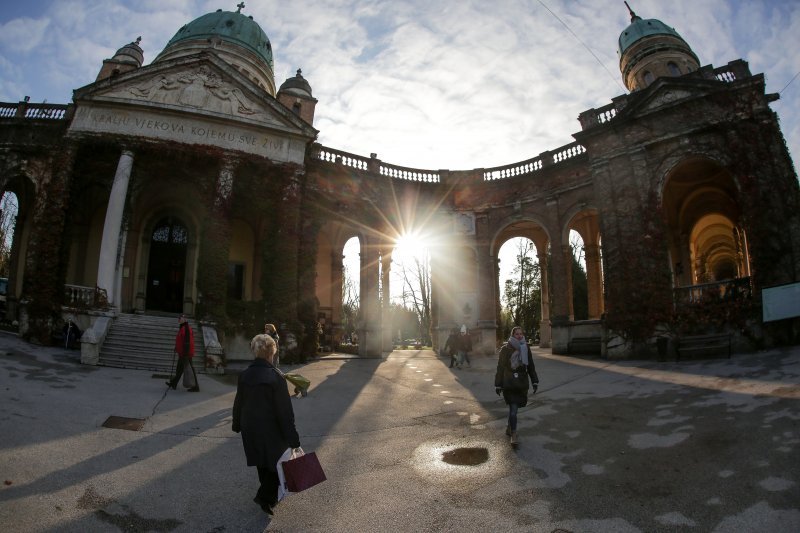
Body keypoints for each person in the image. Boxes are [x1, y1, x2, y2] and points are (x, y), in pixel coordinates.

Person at [232, 334, 301, 516]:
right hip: (271, 429)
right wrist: (293, 438)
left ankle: (267, 497)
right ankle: (265, 497)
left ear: (255, 352)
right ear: (272, 353)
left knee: (261, 461)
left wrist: (237, 423)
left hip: (250, 427)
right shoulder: (276, 377)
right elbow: (284, 412)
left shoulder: (245, 374)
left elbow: (239, 402)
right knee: (277, 462)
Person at [494, 326, 539, 445]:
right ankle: (513, 434)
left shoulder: (526, 348)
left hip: (521, 383)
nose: (519, 336)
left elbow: (530, 366)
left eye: (520, 334)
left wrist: (535, 381)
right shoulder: (505, 349)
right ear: (512, 335)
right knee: (513, 409)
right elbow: (500, 368)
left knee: (514, 409)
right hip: (509, 383)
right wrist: (498, 384)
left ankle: (509, 427)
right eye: (516, 334)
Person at [166, 314, 199, 392]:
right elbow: (181, 340)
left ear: (185, 320)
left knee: (190, 369)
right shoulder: (183, 328)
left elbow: (188, 342)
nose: (179, 320)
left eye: (181, 318)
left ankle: (196, 387)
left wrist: (186, 354)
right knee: (179, 369)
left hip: (185, 353)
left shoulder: (186, 328)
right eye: (179, 318)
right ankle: (174, 383)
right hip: (183, 353)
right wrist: (177, 348)